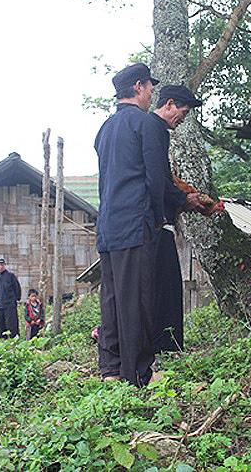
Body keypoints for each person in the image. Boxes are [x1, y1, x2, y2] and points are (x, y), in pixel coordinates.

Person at [94, 62, 171, 386]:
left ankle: (111, 369)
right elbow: (156, 179)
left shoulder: (105, 129)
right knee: (138, 298)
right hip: (135, 222)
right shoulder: (146, 124)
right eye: (150, 87)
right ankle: (140, 372)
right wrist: (159, 216)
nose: (152, 93)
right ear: (139, 86)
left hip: (107, 225)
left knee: (112, 298)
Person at [151, 85, 205, 353]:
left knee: (167, 288)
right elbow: (159, 181)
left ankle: (167, 346)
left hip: (157, 221)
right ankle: (166, 348)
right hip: (155, 223)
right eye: (182, 113)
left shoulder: (158, 132)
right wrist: (184, 199)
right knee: (166, 290)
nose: (182, 119)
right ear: (169, 104)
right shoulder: (154, 130)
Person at [0, 258, 21, 338]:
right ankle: (2, 339)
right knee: (1, 324)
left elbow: (17, 288)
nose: (0, 267)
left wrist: (17, 299)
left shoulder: (11, 276)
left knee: (11, 324)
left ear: (4, 265)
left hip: (10, 304)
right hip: (0, 305)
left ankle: (14, 339)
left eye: (2, 265)